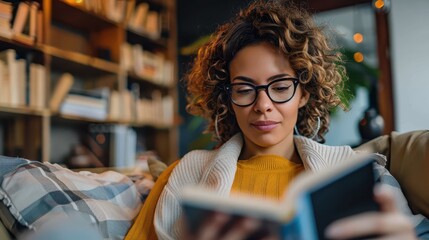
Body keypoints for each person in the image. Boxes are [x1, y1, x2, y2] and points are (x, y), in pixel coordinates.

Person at [126, 0, 429, 239]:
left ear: (305, 93)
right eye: (244, 89)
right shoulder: (182, 176)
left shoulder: (362, 176)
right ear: (227, 98)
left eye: (281, 87)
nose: (263, 105)